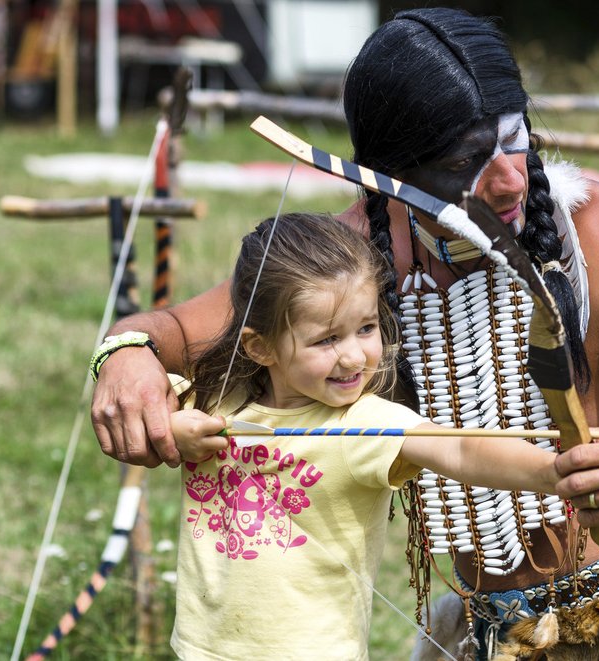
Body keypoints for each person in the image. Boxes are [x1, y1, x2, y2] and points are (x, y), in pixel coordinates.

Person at [90, 8, 599, 660]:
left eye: (516, 143)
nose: (510, 180)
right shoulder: (352, 264)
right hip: (496, 632)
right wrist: (126, 355)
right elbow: (167, 332)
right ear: (391, 175)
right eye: (467, 160)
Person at [162, 211, 569, 660]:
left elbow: (457, 446)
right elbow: (142, 402)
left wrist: (558, 470)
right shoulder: (213, 400)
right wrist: (173, 430)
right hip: (200, 650)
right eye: (325, 340)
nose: (354, 355)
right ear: (260, 347)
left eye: (367, 328)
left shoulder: (365, 424)